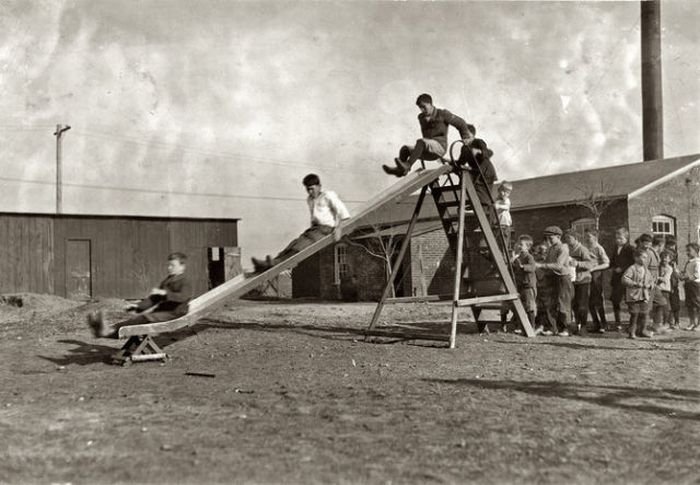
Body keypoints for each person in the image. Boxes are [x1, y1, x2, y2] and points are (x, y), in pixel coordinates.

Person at [251, 174, 351, 272]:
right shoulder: (310, 199)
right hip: (315, 229)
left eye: (312, 188)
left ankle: (275, 263)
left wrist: (338, 228)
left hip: (326, 229)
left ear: (319, 186)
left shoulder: (328, 195)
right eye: (308, 189)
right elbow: (315, 217)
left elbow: (342, 212)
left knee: (299, 247)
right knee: (293, 244)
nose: (310, 192)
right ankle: (269, 263)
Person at [87, 252, 192, 338]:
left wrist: (165, 293)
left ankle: (106, 331)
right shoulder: (167, 280)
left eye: (172, 265)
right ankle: (106, 329)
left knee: (145, 318)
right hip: (165, 312)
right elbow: (153, 299)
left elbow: (183, 297)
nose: (169, 268)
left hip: (176, 313)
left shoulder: (185, 281)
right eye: (168, 265)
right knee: (135, 320)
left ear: (182, 266)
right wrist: (137, 306)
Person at [382, 93, 474, 177]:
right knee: (405, 149)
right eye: (420, 108)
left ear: (430, 104)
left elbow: (460, 123)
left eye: (424, 107)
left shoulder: (442, 114)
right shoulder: (421, 117)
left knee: (421, 141)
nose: (422, 110)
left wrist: (465, 137)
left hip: (439, 148)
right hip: (427, 150)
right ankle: (400, 171)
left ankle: (407, 165)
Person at [536, 226, 573, 336]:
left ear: (558, 237)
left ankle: (566, 328)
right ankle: (553, 328)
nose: (548, 241)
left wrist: (541, 265)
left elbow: (558, 266)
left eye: (551, 238)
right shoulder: (551, 248)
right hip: (552, 278)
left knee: (563, 304)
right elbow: (548, 264)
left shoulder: (563, 248)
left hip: (563, 278)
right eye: (547, 238)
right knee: (551, 304)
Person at [562, 231, 596, 335]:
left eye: (569, 238)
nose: (567, 240)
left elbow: (591, 264)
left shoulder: (582, 249)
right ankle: (576, 325)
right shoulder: (566, 249)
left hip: (583, 280)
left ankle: (584, 326)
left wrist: (578, 263)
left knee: (582, 304)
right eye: (566, 238)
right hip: (572, 280)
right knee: (574, 304)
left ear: (576, 238)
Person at [622, 249, 654, 338]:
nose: (645, 260)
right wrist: (635, 284)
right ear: (636, 258)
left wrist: (649, 285)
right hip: (634, 295)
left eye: (646, 258)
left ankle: (643, 330)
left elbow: (651, 280)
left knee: (644, 313)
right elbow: (625, 279)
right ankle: (632, 332)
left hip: (644, 295)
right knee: (634, 314)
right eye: (643, 257)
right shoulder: (632, 268)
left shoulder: (646, 270)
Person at [584, 229, 610, 333]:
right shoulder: (584, 247)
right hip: (586, 275)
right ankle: (596, 323)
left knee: (598, 300)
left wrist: (594, 268)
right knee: (589, 301)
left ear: (594, 237)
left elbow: (606, 263)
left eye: (589, 237)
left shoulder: (599, 248)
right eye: (585, 236)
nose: (586, 239)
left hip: (596, 275)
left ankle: (604, 324)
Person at [609, 228, 635, 329]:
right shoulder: (616, 248)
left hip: (627, 278)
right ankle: (618, 322)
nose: (618, 240)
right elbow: (612, 261)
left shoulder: (630, 249)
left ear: (626, 238)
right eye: (616, 238)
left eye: (620, 238)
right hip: (616, 279)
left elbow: (634, 262)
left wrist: (623, 268)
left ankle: (632, 323)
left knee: (629, 301)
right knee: (615, 300)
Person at [511, 234, 537, 333]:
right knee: (521, 305)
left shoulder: (529, 257)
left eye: (522, 244)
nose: (519, 246)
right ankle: (521, 326)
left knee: (529, 306)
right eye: (519, 244)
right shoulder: (518, 256)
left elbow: (532, 267)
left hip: (528, 285)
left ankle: (531, 326)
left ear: (528, 247)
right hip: (521, 284)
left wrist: (522, 267)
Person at [533, 242, 553, 335]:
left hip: (547, 285)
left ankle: (550, 327)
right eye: (540, 250)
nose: (542, 253)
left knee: (548, 307)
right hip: (538, 285)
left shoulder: (549, 261)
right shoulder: (536, 260)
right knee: (539, 306)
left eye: (544, 251)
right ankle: (540, 325)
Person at [651, 250, 673, 331]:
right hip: (657, 289)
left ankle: (666, 323)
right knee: (657, 306)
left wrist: (657, 278)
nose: (664, 260)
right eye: (663, 258)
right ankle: (657, 323)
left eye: (667, 258)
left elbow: (665, 279)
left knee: (665, 306)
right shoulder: (658, 267)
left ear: (670, 259)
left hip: (665, 289)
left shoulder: (669, 268)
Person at [681, 243, 700, 331]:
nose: (687, 252)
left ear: (696, 251)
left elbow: (697, 275)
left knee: (697, 304)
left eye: (689, 250)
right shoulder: (689, 262)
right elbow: (686, 273)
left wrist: (687, 278)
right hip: (688, 285)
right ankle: (692, 323)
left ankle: (699, 324)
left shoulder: (697, 262)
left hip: (695, 285)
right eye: (687, 250)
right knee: (690, 305)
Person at [494, 181, 513, 250]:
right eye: (502, 191)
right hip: (497, 225)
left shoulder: (507, 200)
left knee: (504, 244)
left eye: (506, 192)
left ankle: (504, 256)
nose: (503, 193)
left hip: (505, 226)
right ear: (499, 191)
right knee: (497, 244)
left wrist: (499, 206)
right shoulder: (496, 200)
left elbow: (506, 206)